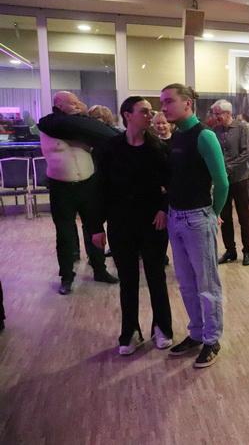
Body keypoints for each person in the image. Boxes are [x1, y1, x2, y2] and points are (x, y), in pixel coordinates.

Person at [88, 96, 173, 355]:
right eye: (144, 111)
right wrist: (96, 226)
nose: (150, 116)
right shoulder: (109, 149)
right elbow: (99, 188)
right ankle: (130, 331)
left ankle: (162, 327)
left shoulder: (159, 148)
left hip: (153, 222)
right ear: (127, 115)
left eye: (151, 112)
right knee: (128, 279)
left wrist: (164, 208)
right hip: (120, 222)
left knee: (156, 276)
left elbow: (170, 183)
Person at [160, 83, 228, 369]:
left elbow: (222, 183)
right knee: (186, 283)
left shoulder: (204, 136)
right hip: (176, 217)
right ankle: (197, 333)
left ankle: (212, 338)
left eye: (168, 101)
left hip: (198, 218)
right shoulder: (176, 135)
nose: (163, 107)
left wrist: (213, 214)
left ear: (187, 103)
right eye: (163, 102)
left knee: (207, 284)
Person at [37, 91, 119, 295]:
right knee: (64, 234)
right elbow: (62, 125)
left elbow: (103, 136)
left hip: (88, 185)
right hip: (62, 187)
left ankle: (99, 269)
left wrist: (84, 115)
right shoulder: (51, 126)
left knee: (95, 229)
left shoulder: (82, 126)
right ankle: (66, 276)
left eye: (78, 102)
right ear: (59, 105)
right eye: (72, 103)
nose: (78, 105)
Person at [211, 100, 249, 266]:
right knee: (225, 216)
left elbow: (245, 153)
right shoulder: (215, 130)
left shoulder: (242, 127)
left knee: (243, 216)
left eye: (218, 114)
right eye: (214, 114)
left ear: (228, 113)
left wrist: (227, 167)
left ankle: (247, 251)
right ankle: (230, 250)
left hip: (240, 179)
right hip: (222, 181)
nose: (215, 117)